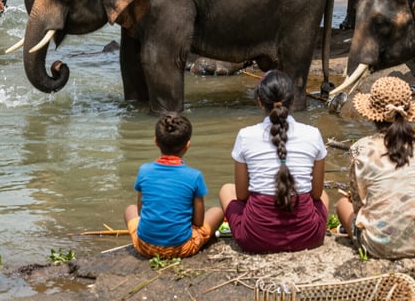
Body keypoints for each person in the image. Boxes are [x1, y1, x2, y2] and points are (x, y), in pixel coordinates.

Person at [219, 70, 328, 253]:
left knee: (226, 189)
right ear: (292, 101)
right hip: (308, 236)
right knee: (324, 195)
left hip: (255, 237)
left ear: (260, 102)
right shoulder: (313, 134)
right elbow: (316, 194)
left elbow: (242, 196)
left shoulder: (245, 135)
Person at [336, 76, 415, 258]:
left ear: (372, 115)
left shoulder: (360, 149)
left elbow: (358, 205)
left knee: (341, 204)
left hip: (378, 246)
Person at [124, 112, 224, 258]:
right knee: (217, 211)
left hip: (145, 246)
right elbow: (198, 221)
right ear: (187, 145)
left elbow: (140, 212)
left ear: (156, 141)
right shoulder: (194, 176)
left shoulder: (144, 170)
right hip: (181, 248)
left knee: (129, 209)